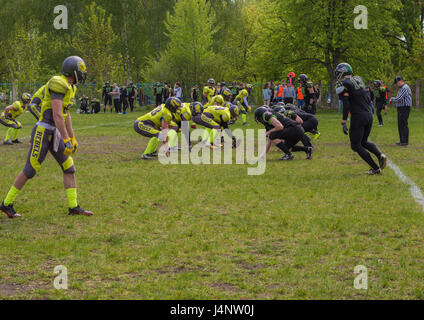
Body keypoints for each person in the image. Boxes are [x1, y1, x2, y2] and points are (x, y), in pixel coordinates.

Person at [0, 56, 93, 218]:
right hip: (44, 131)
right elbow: (57, 115)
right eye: (81, 71)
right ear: (73, 71)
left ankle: (73, 207)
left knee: (69, 168)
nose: (83, 75)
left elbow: (66, 114)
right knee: (30, 169)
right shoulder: (58, 82)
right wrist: (65, 138)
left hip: (55, 132)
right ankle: (6, 204)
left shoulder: (71, 88)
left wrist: (72, 137)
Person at [335, 62, 387, 175]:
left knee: (355, 145)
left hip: (359, 116)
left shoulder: (345, 84)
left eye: (339, 73)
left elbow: (346, 103)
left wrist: (344, 121)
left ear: (343, 72)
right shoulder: (359, 79)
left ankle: (375, 168)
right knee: (363, 141)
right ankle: (380, 156)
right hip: (369, 114)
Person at [390, 76, 412, 146]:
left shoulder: (405, 88)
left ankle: (405, 141)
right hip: (401, 108)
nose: (396, 85)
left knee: (403, 124)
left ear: (400, 81)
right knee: (400, 124)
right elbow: (398, 98)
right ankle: (402, 141)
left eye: (396, 83)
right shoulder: (401, 88)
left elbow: (399, 98)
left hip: (404, 108)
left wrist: (392, 99)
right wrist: (394, 98)